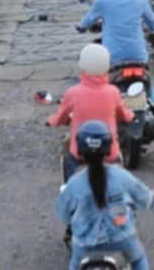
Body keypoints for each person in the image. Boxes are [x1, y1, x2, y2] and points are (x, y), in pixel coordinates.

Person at [57, 120, 154, 270]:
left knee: (75, 267)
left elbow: (63, 214)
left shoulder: (74, 184)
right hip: (122, 241)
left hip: (85, 245)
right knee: (138, 259)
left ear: (80, 151)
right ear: (109, 148)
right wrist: (151, 198)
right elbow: (144, 199)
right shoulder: (122, 176)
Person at [48, 44, 134, 174]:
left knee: (68, 159)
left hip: (80, 152)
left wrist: (53, 120)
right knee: (119, 175)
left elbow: (62, 117)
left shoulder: (72, 92)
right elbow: (122, 115)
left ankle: (68, 187)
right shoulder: (113, 92)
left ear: (82, 66)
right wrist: (130, 115)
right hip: (109, 152)